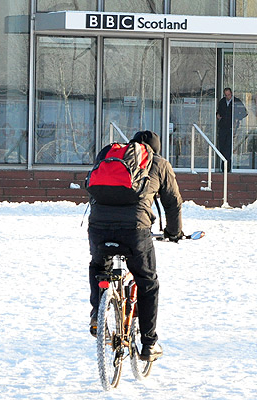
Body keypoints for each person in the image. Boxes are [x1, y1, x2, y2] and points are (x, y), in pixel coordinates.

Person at [87, 130, 184, 362]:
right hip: (135, 230)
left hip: (99, 225)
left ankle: (97, 313)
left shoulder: (110, 157)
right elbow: (173, 202)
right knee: (147, 282)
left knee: (99, 265)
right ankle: (149, 343)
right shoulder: (159, 163)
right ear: (155, 148)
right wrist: (173, 232)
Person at [216, 87, 247, 172]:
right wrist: (218, 115)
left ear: (231, 94)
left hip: (231, 127)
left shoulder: (236, 101)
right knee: (222, 146)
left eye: (229, 95)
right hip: (222, 126)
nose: (227, 97)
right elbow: (219, 111)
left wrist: (237, 118)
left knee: (228, 147)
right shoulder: (222, 101)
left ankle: (227, 167)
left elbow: (244, 113)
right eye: (226, 95)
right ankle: (223, 165)